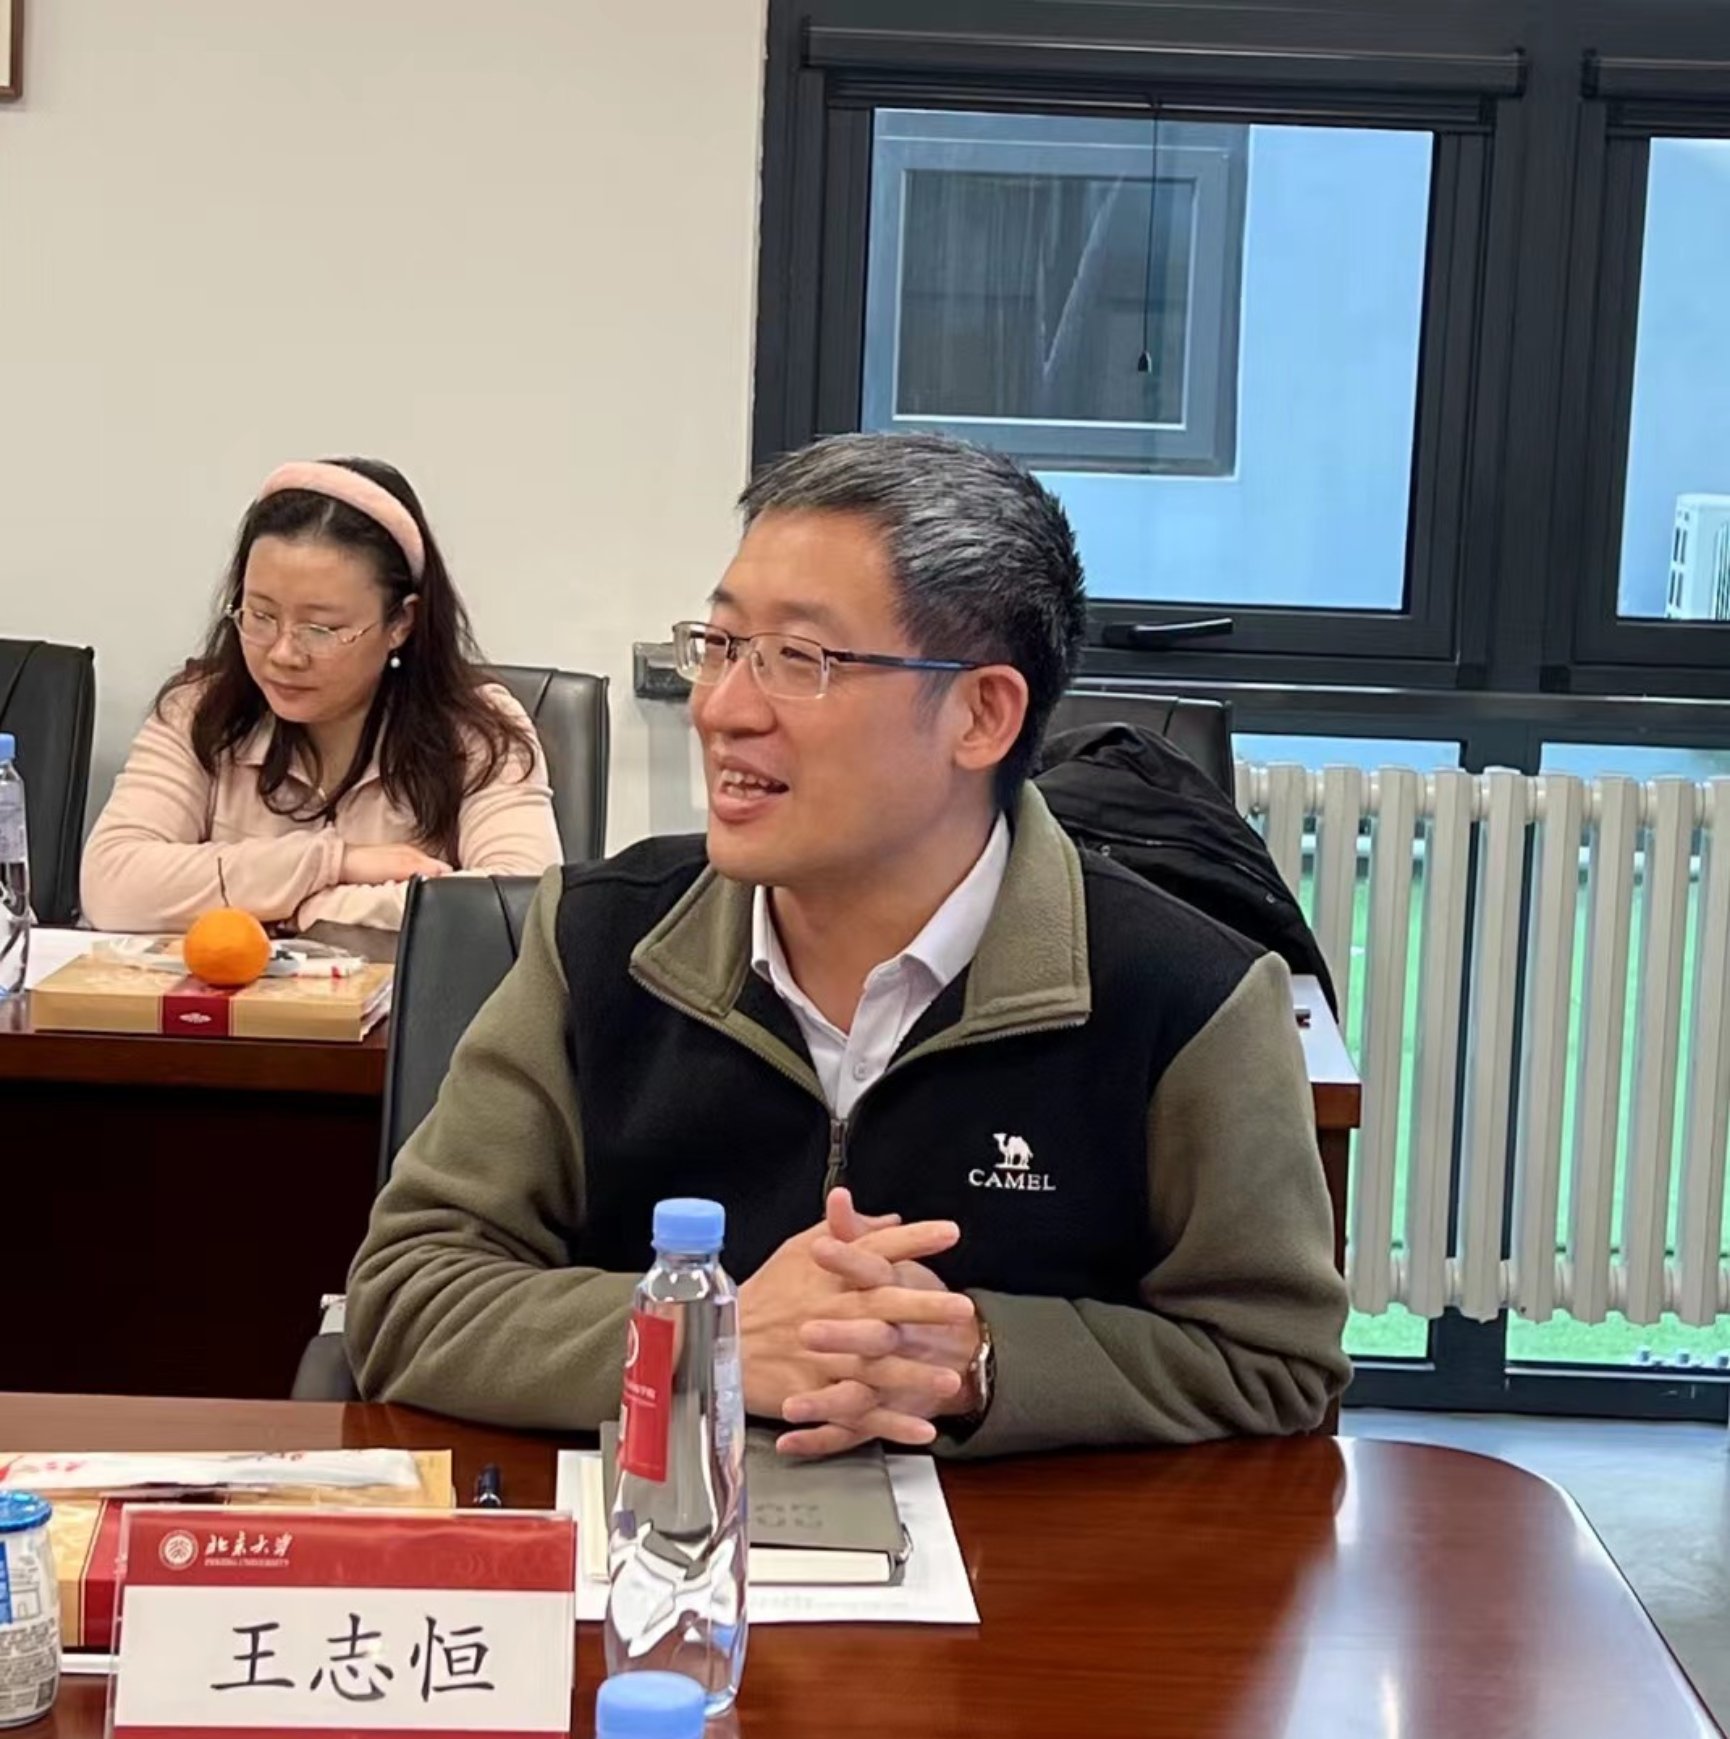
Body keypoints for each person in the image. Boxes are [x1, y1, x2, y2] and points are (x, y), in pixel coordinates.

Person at [346, 433, 1350, 1458]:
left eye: (800, 659)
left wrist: (978, 1360)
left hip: (1023, 1555)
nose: (722, 708)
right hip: (659, 1536)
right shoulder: (599, 941)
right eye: (721, 644)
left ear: (980, 714)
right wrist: (704, 1338)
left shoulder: (1185, 996)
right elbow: (407, 1296)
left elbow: (1274, 1361)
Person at [81, 457, 561, 934]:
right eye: (261, 616)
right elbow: (112, 886)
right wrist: (336, 862)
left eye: (321, 628)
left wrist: (299, 909)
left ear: (400, 622)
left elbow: (515, 907)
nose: (284, 654)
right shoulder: (198, 713)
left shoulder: (478, 735)